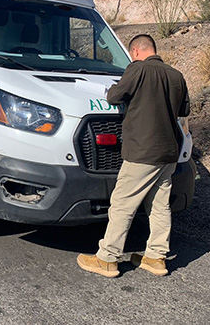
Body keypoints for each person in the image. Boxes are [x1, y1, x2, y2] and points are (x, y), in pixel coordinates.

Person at [77, 34, 190, 278]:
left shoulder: (137, 69)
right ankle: (156, 258)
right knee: (159, 205)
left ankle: (107, 258)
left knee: (122, 204)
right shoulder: (176, 76)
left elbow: (113, 97)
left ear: (136, 51)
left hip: (142, 151)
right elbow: (183, 111)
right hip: (168, 153)